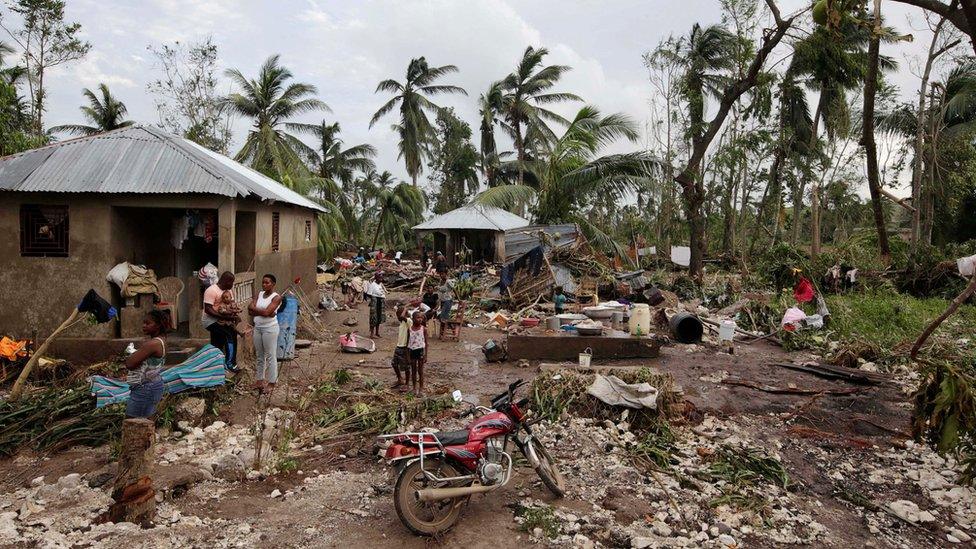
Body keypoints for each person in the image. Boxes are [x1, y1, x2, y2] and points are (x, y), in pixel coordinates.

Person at [124, 310, 170, 418]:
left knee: (133, 422)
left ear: (158, 325)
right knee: (144, 421)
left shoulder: (153, 344)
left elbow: (130, 364)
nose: (144, 326)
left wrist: (131, 355)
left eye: (148, 323)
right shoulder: (161, 341)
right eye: (143, 323)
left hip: (145, 388)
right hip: (152, 385)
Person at [248, 274, 282, 394]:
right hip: (258, 328)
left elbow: (267, 312)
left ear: (273, 284)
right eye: (263, 282)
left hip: (270, 329)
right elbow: (249, 309)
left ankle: (272, 382)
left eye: (267, 283)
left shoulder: (276, 297)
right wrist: (264, 312)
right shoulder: (260, 294)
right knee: (260, 355)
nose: (264, 285)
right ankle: (259, 380)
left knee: (271, 355)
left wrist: (264, 312)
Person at [203, 271, 240, 371]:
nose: (232, 285)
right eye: (231, 282)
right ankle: (230, 363)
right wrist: (225, 317)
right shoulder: (211, 290)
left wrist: (235, 311)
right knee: (229, 335)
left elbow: (231, 303)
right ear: (226, 281)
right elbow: (208, 309)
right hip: (210, 321)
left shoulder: (228, 291)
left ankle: (217, 366)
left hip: (223, 320)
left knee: (218, 342)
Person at [406, 310, 428, 395]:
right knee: (413, 370)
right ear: (413, 319)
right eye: (418, 317)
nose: (420, 319)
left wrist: (426, 355)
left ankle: (421, 389)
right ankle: (414, 388)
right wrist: (407, 356)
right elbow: (407, 343)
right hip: (412, 350)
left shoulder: (424, 329)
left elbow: (426, 343)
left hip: (420, 351)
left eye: (421, 318)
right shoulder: (410, 330)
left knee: (420, 371)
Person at [392, 301, 410, 389]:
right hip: (399, 346)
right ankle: (400, 378)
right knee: (394, 363)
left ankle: (406, 383)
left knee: (406, 366)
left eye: (398, 315)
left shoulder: (409, 321)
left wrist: (405, 308)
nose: (398, 317)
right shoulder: (402, 323)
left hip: (405, 347)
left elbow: (402, 316)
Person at [366, 272, 387, 338]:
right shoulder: (372, 285)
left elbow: (382, 292)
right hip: (375, 302)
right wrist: (374, 298)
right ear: (376, 278)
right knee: (373, 318)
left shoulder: (380, 284)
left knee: (379, 317)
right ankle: (372, 334)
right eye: (379, 277)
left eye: (381, 277)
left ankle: (377, 332)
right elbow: (368, 294)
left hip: (380, 302)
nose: (381, 279)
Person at [436, 275, 454, 340]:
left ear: (446, 273)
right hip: (442, 301)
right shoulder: (440, 281)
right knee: (442, 318)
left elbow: (454, 289)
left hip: (448, 301)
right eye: (440, 273)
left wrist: (459, 299)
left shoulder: (448, 281)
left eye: (442, 273)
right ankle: (450, 328)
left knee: (442, 317)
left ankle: (450, 328)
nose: (441, 275)